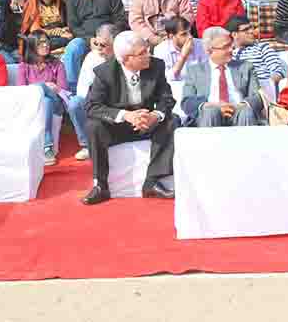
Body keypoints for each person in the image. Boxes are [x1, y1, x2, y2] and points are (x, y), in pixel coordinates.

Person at [82, 31, 175, 205]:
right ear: (126, 59)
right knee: (93, 126)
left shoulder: (156, 65)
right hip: (119, 125)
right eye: (142, 53)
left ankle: (152, 181)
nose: (148, 54)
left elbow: (167, 99)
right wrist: (126, 115)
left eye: (147, 49)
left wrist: (155, 115)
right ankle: (100, 185)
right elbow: (92, 106)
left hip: (147, 122)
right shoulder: (105, 72)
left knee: (172, 120)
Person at [62, 0, 126, 92]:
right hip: (86, 39)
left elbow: (120, 18)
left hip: (110, 37)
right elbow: (73, 26)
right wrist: (89, 39)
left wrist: (109, 38)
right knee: (73, 48)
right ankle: (72, 92)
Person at [181, 26, 263, 127]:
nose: (231, 49)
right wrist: (211, 105)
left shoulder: (246, 67)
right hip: (209, 114)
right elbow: (187, 102)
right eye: (225, 47)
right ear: (209, 51)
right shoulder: (195, 71)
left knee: (246, 112)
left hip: (238, 111)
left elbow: (257, 97)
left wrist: (241, 105)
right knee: (210, 112)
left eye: (231, 45)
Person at [67, 24, 120, 161]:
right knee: (75, 103)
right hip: (96, 102)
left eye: (103, 45)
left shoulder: (124, 56)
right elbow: (82, 91)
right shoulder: (92, 57)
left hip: (120, 103)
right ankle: (87, 145)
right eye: (96, 43)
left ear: (115, 43)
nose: (99, 48)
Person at [17, 31, 69, 164]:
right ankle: (47, 145)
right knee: (45, 100)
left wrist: (53, 88)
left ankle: (47, 146)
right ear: (32, 45)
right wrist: (44, 87)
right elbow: (22, 92)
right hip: (33, 106)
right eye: (41, 43)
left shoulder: (57, 64)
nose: (46, 45)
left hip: (57, 105)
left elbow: (63, 91)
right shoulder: (24, 66)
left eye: (46, 41)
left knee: (47, 97)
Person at [225, 16, 286, 97]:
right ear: (234, 35)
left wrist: (265, 86)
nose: (252, 31)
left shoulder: (262, 48)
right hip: (235, 94)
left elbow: (278, 72)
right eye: (246, 30)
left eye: (251, 28)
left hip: (260, 92)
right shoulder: (228, 53)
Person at [152, 16, 206, 81]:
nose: (190, 37)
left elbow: (208, 70)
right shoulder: (160, 50)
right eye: (184, 34)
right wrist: (183, 57)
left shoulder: (200, 44)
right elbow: (164, 79)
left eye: (190, 32)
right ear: (171, 36)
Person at [0, 0, 28, 65]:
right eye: (12, 0)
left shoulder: (12, 16)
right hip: (1, 49)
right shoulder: (2, 17)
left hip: (12, 48)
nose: (15, 1)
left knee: (22, 62)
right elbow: (3, 2)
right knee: (11, 63)